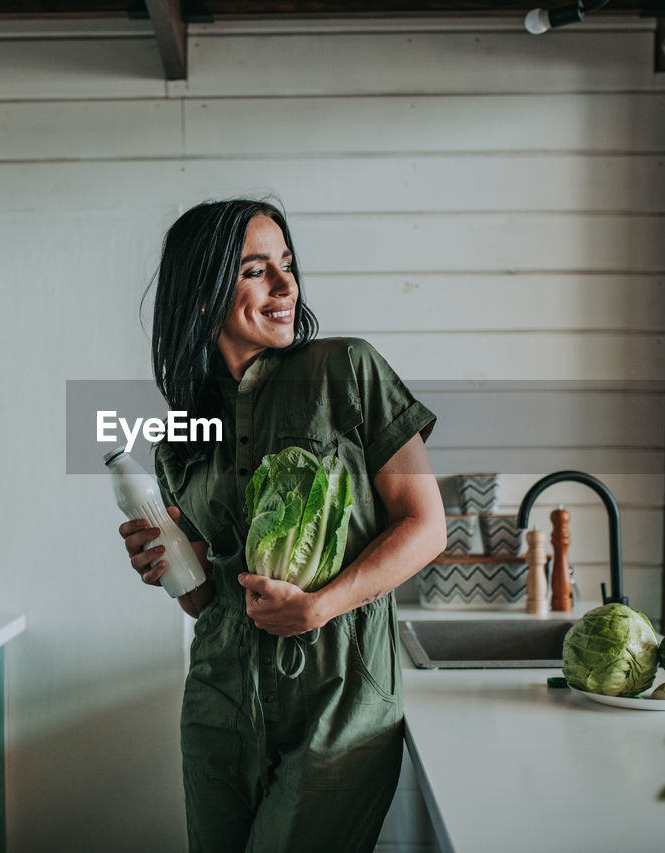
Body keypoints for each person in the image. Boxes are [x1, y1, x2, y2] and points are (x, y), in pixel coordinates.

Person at [117, 198, 446, 852]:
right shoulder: (178, 438)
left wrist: (320, 605)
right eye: (255, 270)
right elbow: (208, 599)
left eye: (287, 265)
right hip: (218, 711)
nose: (285, 284)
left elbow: (426, 525)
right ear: (205, 294)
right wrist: (167, 565)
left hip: (338, 711)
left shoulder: (347, 372)